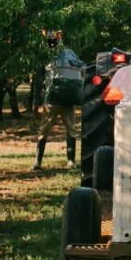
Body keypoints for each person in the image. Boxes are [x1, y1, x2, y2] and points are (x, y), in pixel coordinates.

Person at [33, 30, 85, 170]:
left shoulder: (47, 55)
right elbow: (82, 67)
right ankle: (69, 161)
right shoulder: (68, 53)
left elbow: (39, 80)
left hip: (55, 99)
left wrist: (36, 102)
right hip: (62, 99)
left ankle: (39, 162)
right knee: (69, 129)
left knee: (47, 130)